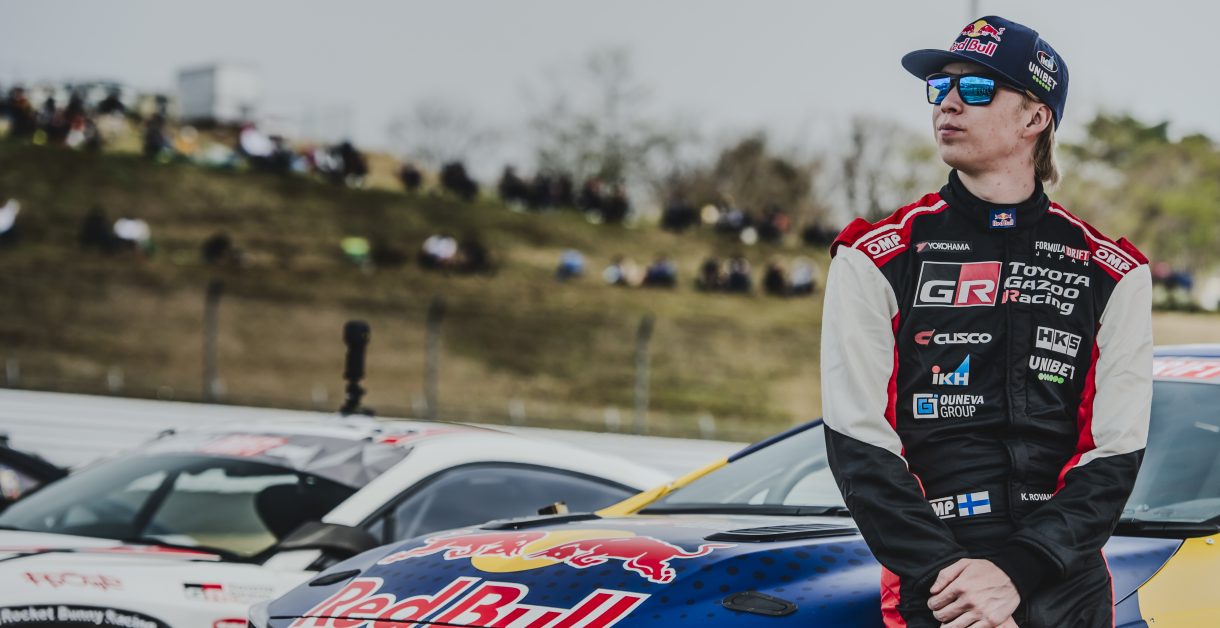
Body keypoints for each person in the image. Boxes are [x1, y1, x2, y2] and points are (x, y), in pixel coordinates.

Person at [821, 16, 1152, 628]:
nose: (948, 103)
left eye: (976, 88)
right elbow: (856, 442)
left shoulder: (1114, 270)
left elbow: (1116, 451)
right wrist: (956, 579)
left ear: (1035, 117)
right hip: (941, 579)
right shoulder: (875, 256)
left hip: (1063, 577)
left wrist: (1016, 572)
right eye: (940, 87)